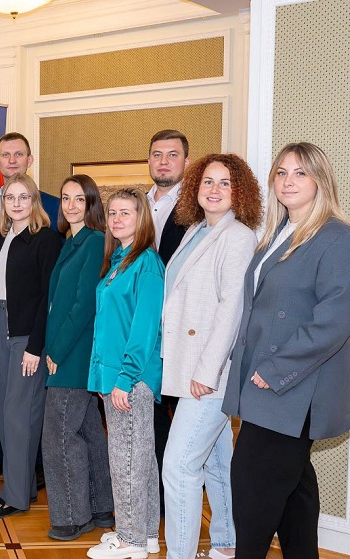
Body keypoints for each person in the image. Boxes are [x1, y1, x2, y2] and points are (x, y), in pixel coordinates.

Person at [222, 142, 350, 559]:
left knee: (252, 484)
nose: (288, 181)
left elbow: (334, 321)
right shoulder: (278, 234)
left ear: (320, 180)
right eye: (281, 172)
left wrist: (276, 369)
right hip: (267, 378)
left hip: (294, 386)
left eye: (300, 173)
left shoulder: (336, 237)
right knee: (294, 490)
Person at [160, 154, 262, 559]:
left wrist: (207, 371)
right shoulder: (197, 230)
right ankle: (226, 545)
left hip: (208, 374)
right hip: (187, 365)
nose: (214, 190)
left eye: (224, 183)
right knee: (217, 464)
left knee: (179, 467)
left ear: (240, 192)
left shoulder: (238, 237)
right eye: (207, 181)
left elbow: (231, 309)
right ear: (195, 188)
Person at [0, 132, 58, 487]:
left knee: (21, 413)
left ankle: (20, 487)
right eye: (10, 197)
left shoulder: (47, 235)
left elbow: (47, 297)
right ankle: (14, 480)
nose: (16, 202)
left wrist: (35, 346)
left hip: (27, 334)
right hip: (0, 326)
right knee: (6, 410)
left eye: (24, 197)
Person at [86, 188, 164, 559]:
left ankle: (130, 539)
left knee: (127, 459)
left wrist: (125, 378)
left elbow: (145, 328)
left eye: (125, 213)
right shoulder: (120, 258)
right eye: (112, 213)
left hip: (129, 379)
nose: (116, 219)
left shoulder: (146, 263)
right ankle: (145, 534)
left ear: (141, 218)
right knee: (140, 457)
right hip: (113, 375)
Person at [42, 175, 114, 541]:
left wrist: (56, 350)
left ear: (91, 204)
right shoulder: (72, 241)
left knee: (58, 435)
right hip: (69, 351)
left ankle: (71, 517)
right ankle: (101, 508)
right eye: (65, 198)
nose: (71, 205)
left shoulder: (95, 241)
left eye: (79, 199)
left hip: (72, 353)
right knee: (88, 433)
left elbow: (84, 304)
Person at [146, 129, 190, 516]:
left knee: (184, 420)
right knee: (152, 414)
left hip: (180, 332)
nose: (164, 161)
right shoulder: (136, 205)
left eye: (172, 155)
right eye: (157, 154)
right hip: (142, 330)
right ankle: (154, 498)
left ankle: (178, 500)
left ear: (185, 162)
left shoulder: (196, 210)